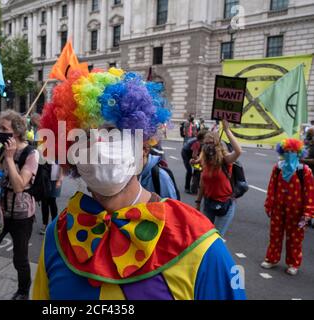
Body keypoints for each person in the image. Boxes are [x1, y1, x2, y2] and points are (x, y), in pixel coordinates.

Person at [33, 68, 246, 300]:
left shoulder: (198, 242)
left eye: (111, 132)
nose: (97, 145)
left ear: (143, 146)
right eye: (82, 136)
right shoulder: (58, 234)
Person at [0, 110, 39, 300]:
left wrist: (10, 159)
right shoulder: (2, 149)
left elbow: (20, 185)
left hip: (22, 214)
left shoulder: (31, 153)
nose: (1, 132)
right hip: (1, 211)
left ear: (17, 130)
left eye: (4, 129)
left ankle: (23, 291)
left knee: (20, 258)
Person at [261, 138, 314, 276]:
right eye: (287, 151)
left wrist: (308, 212)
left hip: (297, 211)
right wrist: (269, 205)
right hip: (278, 208)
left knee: (295, 238)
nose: (290, 154)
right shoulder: (278, 168)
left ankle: (293, 263)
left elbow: (309, 192)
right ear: (282, 152)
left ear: (299, 153)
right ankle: (272, 259)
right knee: (275, 236)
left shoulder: (305, 171)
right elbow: (272, 188)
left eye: (293, 151)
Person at [194, 120, 242, 237]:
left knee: (216, 237)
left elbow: (238, 151)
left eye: (211, 143)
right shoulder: (205, 161)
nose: (208, 146)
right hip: (209, 203)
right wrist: (198, 202)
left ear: (217, 145)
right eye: (205, 144)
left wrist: (226, 130)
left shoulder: (225, 160)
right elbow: (202, 183)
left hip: (225, 203)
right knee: (205, 236)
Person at [40, 163, 63, 235]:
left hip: (55, 179)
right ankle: (45, 224)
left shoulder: (60, 151)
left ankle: (54, 225)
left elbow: (62, 166)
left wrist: (59, 180)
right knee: (44, 202)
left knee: (52, 202)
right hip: (44, 179)